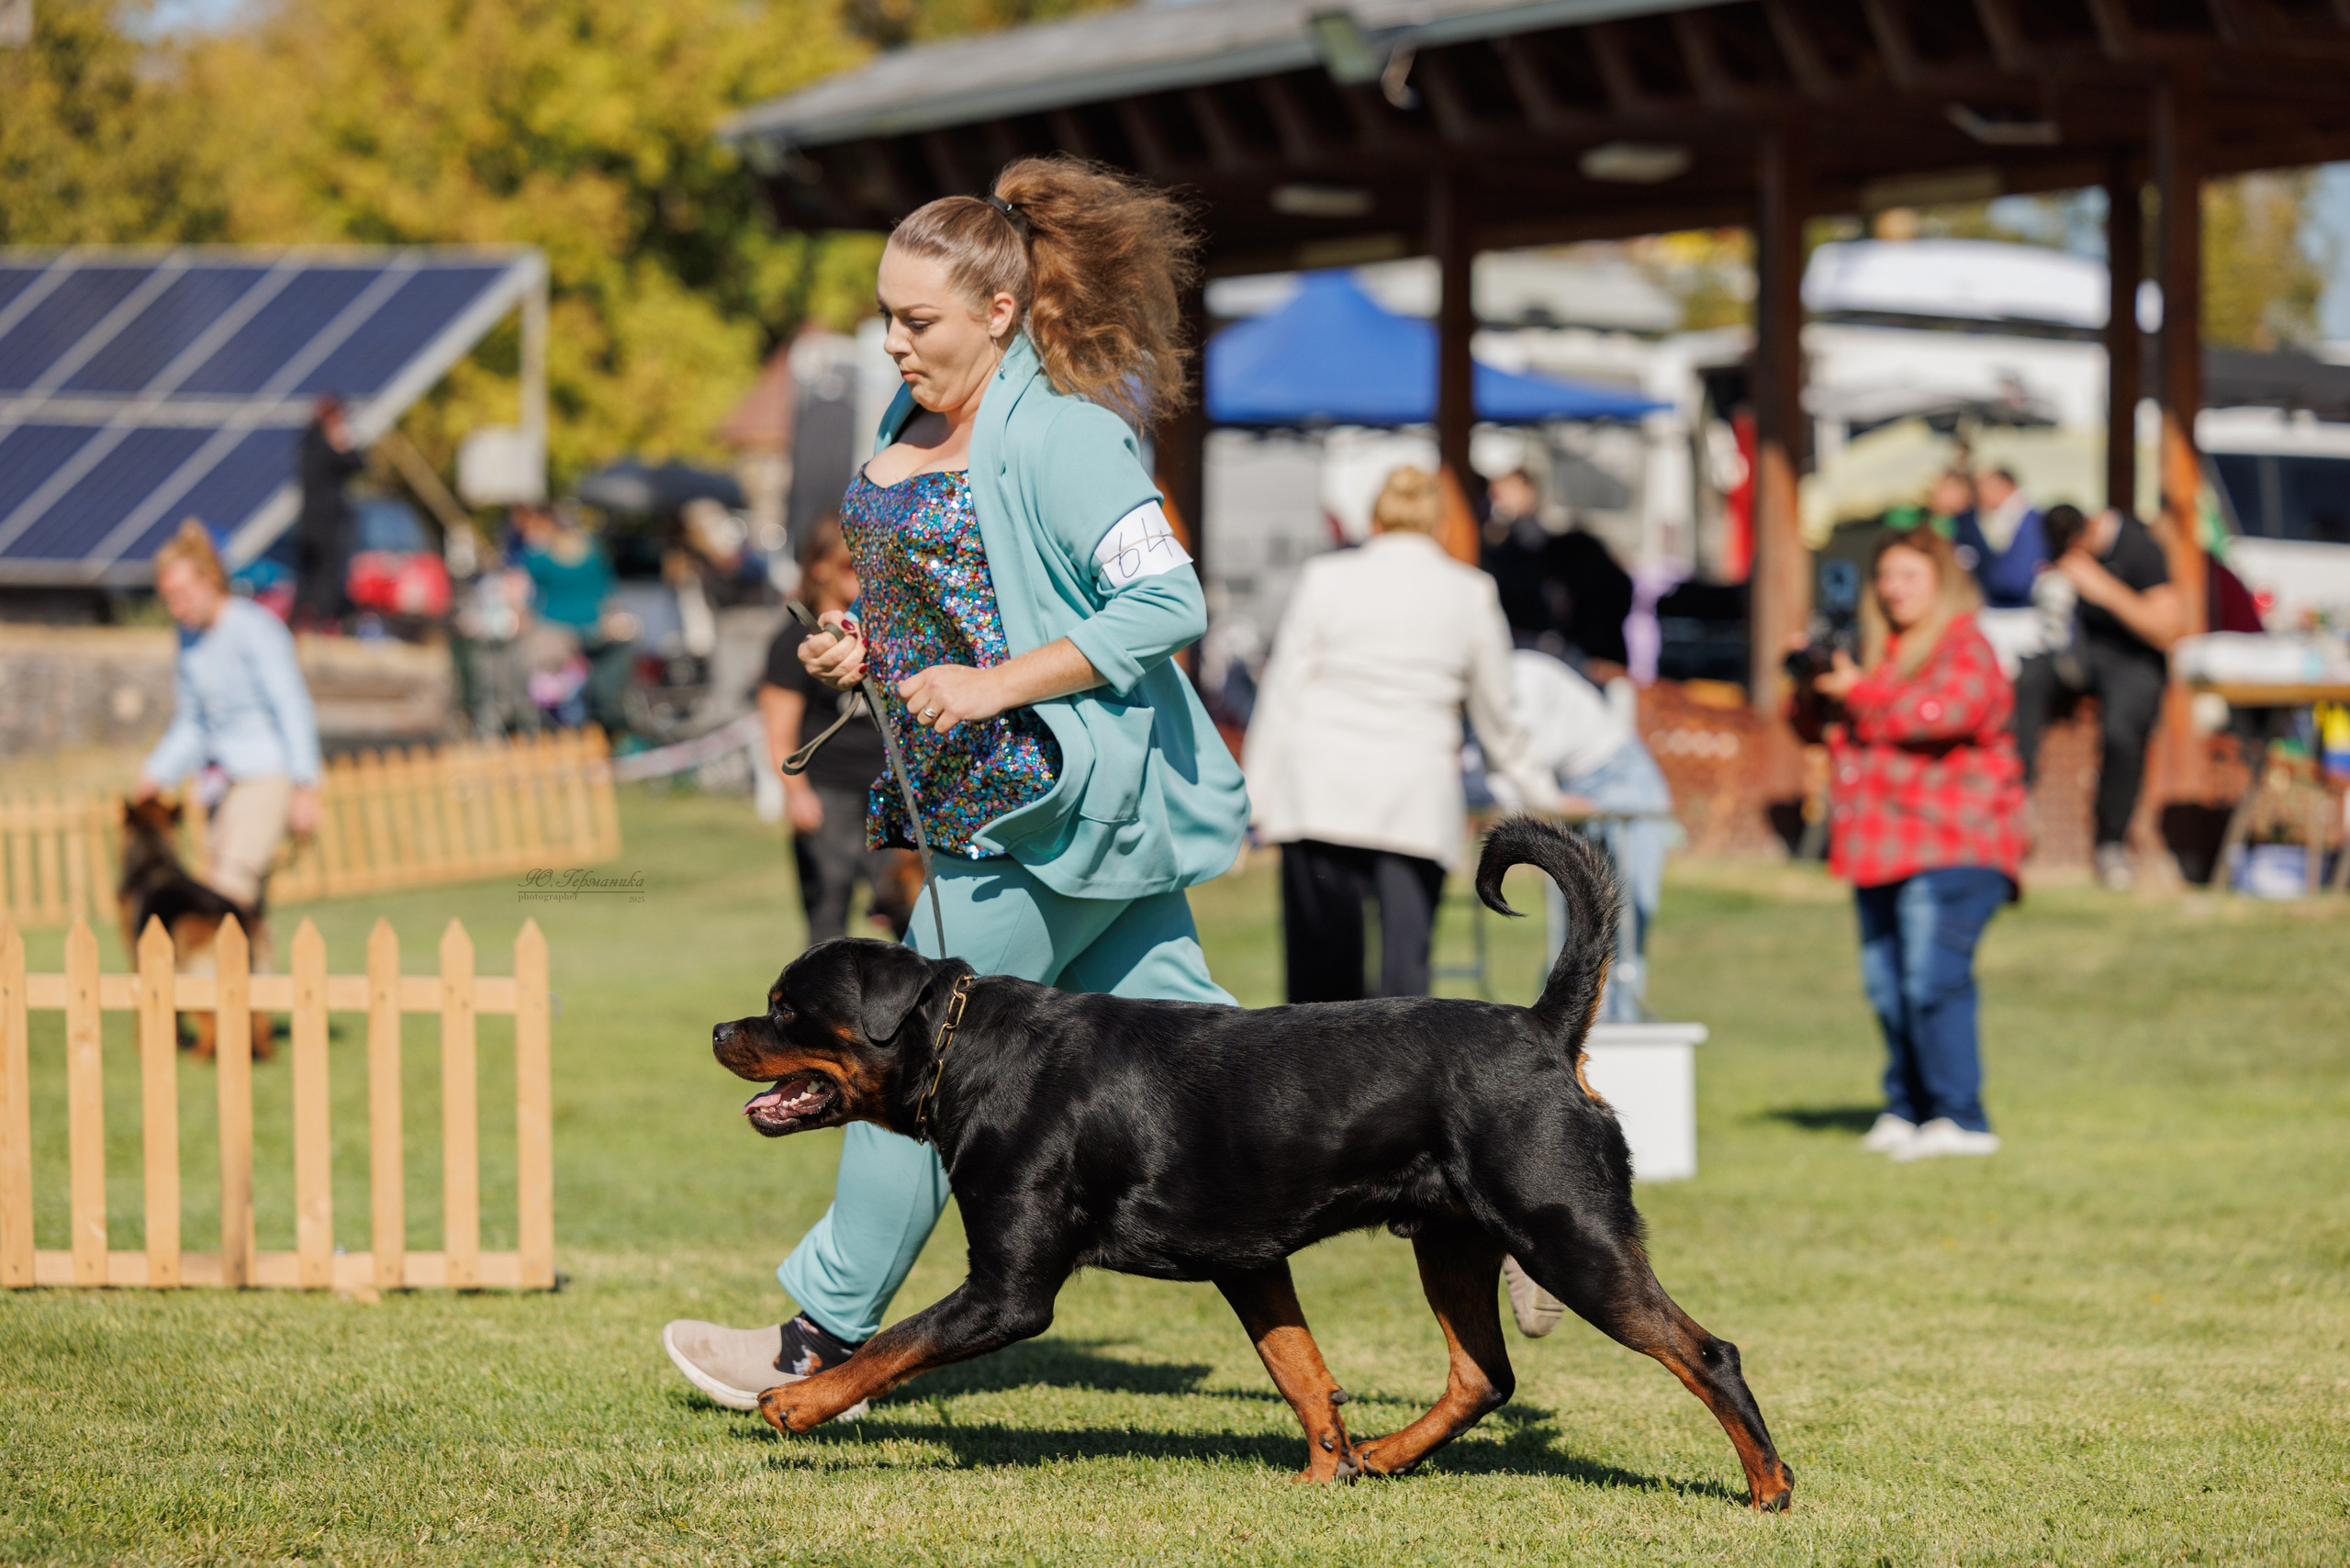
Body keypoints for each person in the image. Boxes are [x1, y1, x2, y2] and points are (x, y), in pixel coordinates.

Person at [663, 155, 1249, 1410]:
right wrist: (854, 652)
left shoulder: (1075, 438)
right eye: (884, 316)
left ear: (998, 312)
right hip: (999, 814)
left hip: (1039, 818)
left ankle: (817, 1335)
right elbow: (937, 607)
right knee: (1224, 1073)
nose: (893, 343)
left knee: (906, 1065)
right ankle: (1452, 1162)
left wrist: (995, 686)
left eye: (916, 320)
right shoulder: (904, 426)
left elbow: (1172, 600)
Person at [1245, 465, 1561, 1003]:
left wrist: (1254, 796)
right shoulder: (1472, 591)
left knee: (1317, 999)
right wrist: (1542, 793)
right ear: (1438, 525)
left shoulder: (1326, 576)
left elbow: (1282, 692)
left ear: (1373, 519)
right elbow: (1498, 715)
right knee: (1404, 994)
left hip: (1319, 788)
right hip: (1415, 795)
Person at [1798, 525, 2026, 1161]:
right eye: (1887, 576)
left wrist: (1859, 691)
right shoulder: (1874, 649)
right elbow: (1818, 728)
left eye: (1910, 576)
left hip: (1954, 841)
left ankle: (1963, 1116)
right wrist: (1812, 679)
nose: (1894, 589)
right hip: (1878, 844)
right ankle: (1910, 1106)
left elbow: (1945, 712)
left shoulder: (1965, 645)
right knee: (1888, 986)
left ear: (1942, 582)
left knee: (1933, 979)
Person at [134, 520, 322, 938]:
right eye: (169, 598)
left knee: (226, 895)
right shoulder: (189, 639)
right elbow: (195, 721)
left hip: (266, 775)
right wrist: (156, 772)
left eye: (181, 595)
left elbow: (291, 706)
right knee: (237, 908)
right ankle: (252, 996)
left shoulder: (255, 629)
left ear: (210, 581)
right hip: (221, 782)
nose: (175, 607)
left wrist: (306, 786)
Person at [1492, 649, 1673, 1024]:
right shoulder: (1493, 692)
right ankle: (1565, 1037)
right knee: (1572, 931)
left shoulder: (1521, 680)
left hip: (1623, 779)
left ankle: (1618, 1031)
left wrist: (1548, 802)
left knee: (1625, 923)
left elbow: (1517, 767)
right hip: (1569, 788)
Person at [758, 520, 915, 944]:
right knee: (828, 925)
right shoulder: (793, 642)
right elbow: (778, 731)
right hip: (829, 795)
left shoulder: (892, 636)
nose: (862, 575)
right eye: (850, 565)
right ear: (820, 568)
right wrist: (797, 794)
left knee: (909, 919)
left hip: (892, 795)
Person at [2010, 508, 2183, 890]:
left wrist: (2103, 589)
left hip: (2133, 659)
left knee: (2123, 728)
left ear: (2089, 529)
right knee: (2024, 680)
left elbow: (2168, 629)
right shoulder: (2060, 551)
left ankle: (2112, 843)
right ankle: (2017, 802)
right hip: (2079, 658)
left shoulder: (2140, 548)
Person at [514, 503, 632, 733]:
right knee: (589, 689)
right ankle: (595, 726)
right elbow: (609, 594)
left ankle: (562, 729)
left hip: (555, 633)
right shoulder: (593, 552)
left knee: (554, 691)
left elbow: (522, 594)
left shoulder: (542, 556)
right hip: (590, 630)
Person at [291, 394, 364, 630]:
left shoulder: (308, 443)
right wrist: (344, 444)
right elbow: (356, 463)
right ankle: (322, 622)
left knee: (310, 577)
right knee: (323, 577)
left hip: (312, 522)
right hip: (324, 524)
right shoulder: (322, 444)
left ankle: (307, 620)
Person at [1955, 466, 2045, 610]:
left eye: (1986, 488)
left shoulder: (2025, 519)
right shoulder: (2015, 516)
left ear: (2006, 485)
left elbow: (2016, 578)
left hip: (2016, 608)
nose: (1980, 495)